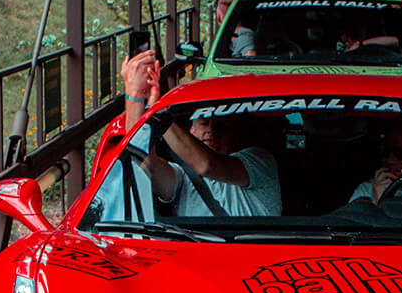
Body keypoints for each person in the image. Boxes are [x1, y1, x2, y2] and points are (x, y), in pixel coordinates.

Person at [120, 49, 281, 218]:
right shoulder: (181, 177)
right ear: (191, 131)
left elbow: (206, 164)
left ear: (235, 133)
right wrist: (134, 95)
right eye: (204, 123)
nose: (211, 130)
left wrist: (158, 112)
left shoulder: (259, 161)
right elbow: (142, 162)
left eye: (221, 126)